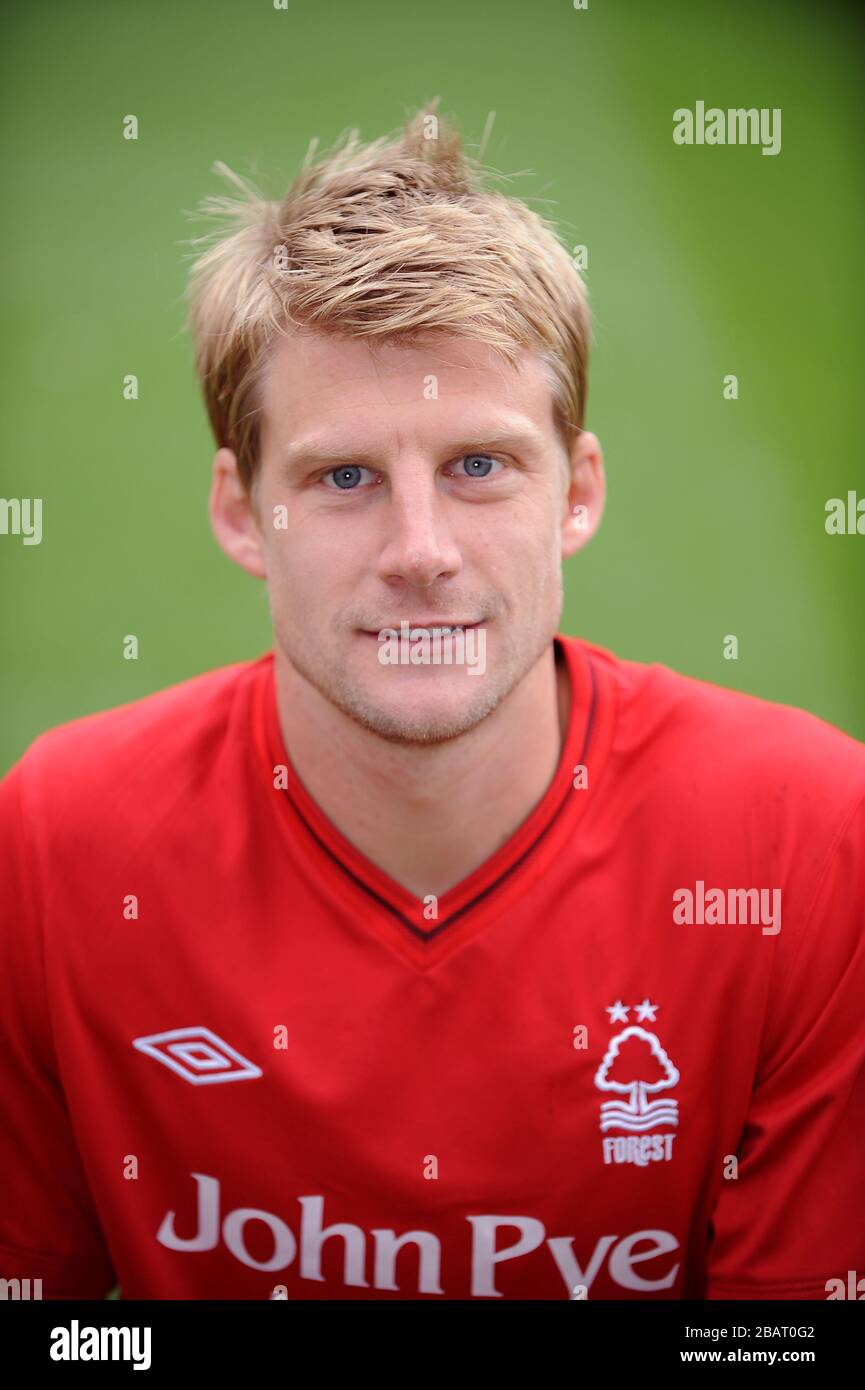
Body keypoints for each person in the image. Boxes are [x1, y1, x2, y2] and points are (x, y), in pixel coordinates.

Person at [1, 103, 863, 1302]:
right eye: (344, 476)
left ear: (577, 492)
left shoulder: (807, 842)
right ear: (245, 511)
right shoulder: (58, 842)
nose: (421, 550)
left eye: (479, 467)